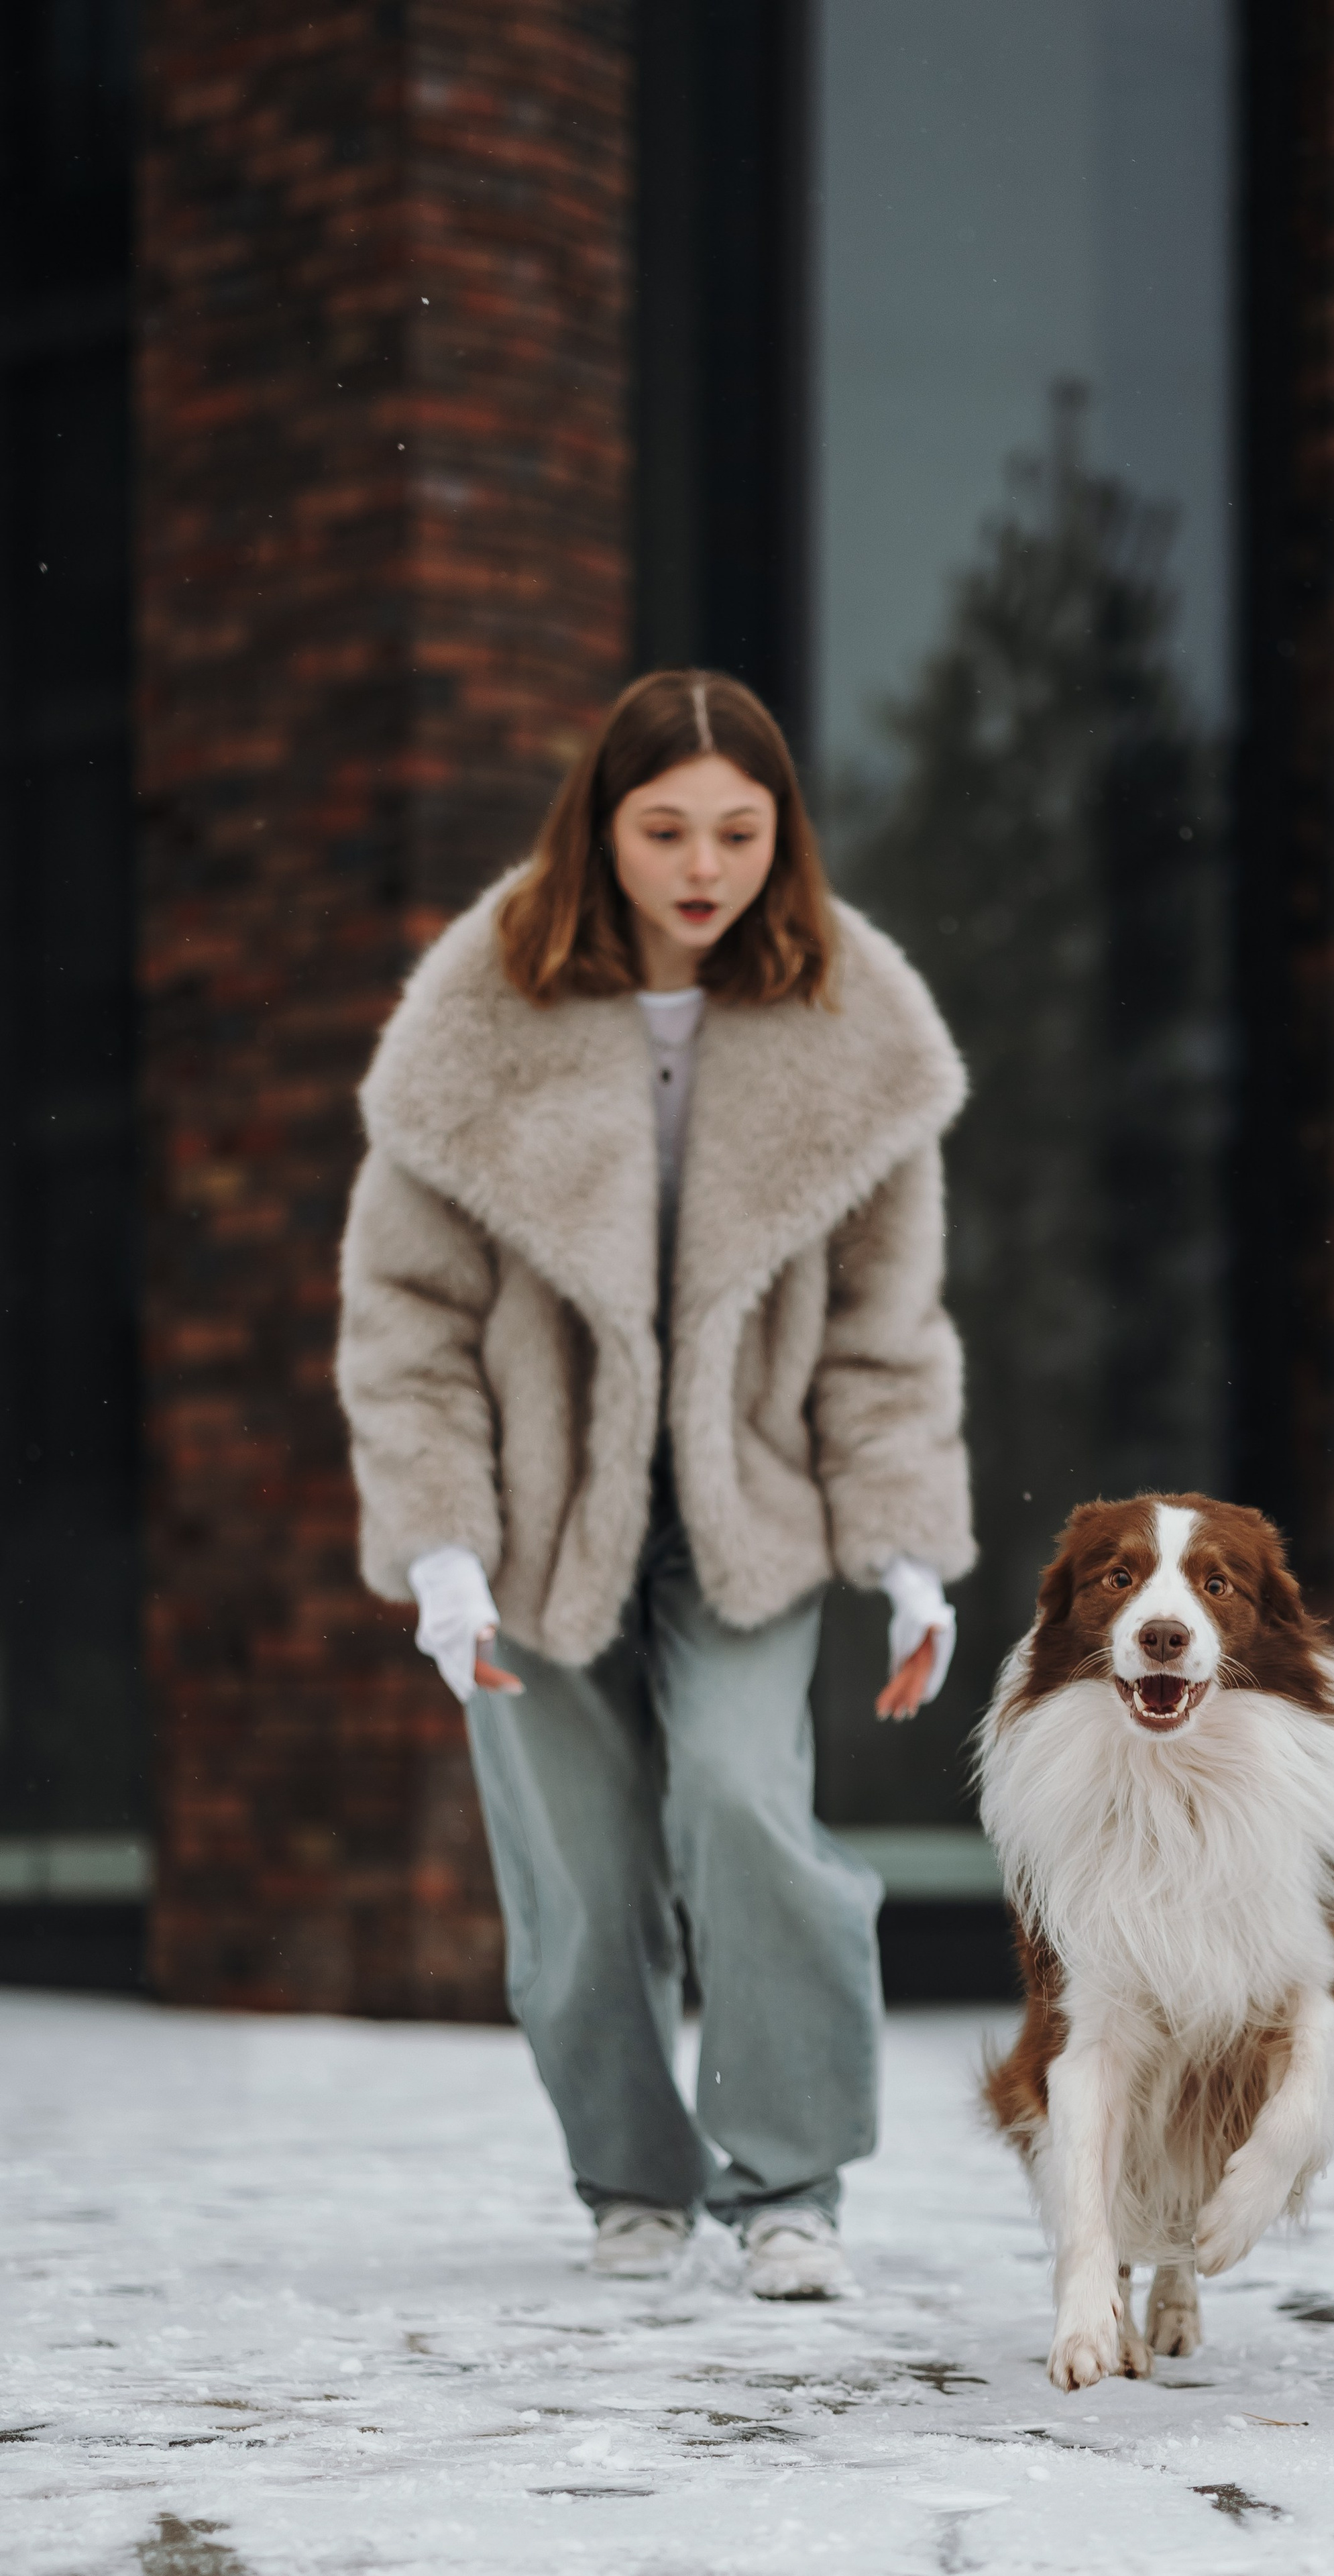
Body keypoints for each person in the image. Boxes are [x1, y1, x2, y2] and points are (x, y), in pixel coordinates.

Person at [336, 669, 974, 2300]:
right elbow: (406, 1323)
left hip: (750, 1514)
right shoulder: (476, 1015)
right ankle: (630, 2182)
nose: (703, 865)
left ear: (782, 837)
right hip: (538, 1518)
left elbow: (887, 1336)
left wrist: (907, 1555)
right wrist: (442, 1554)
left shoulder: (856, 1025)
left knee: (744, 1806)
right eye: (665, 828)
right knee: (574, 1857)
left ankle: (792, 2190)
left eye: (740, 832)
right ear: (599, 828)